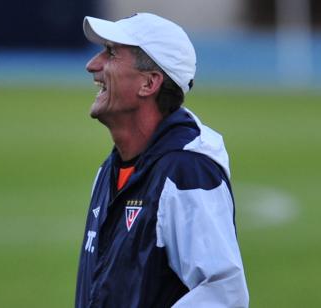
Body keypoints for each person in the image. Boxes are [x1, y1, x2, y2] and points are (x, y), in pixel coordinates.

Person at [75, 12, 249, 308]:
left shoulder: (187, 172)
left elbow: (225, 295)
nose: (93, 65)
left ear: (149, 83)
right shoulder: (110, 171)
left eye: (112, 53)